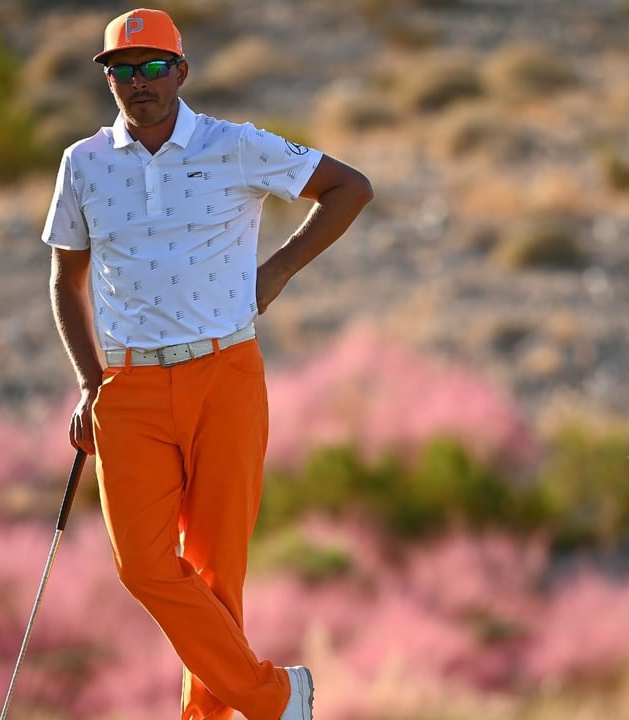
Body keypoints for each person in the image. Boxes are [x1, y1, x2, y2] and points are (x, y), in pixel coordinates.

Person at [41, 8, 373, 720]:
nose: (139, 81)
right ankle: (277, 698)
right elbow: (66, 282)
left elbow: (350, 188)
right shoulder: (83, 163)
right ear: (108, 80)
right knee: (143, 567)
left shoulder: (236, 145)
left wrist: (275, 273)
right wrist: (90, 384)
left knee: (219, 574)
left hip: (226, 377)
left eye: (154, 66)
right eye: (122, 70)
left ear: (181, 72)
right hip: (127, 387)